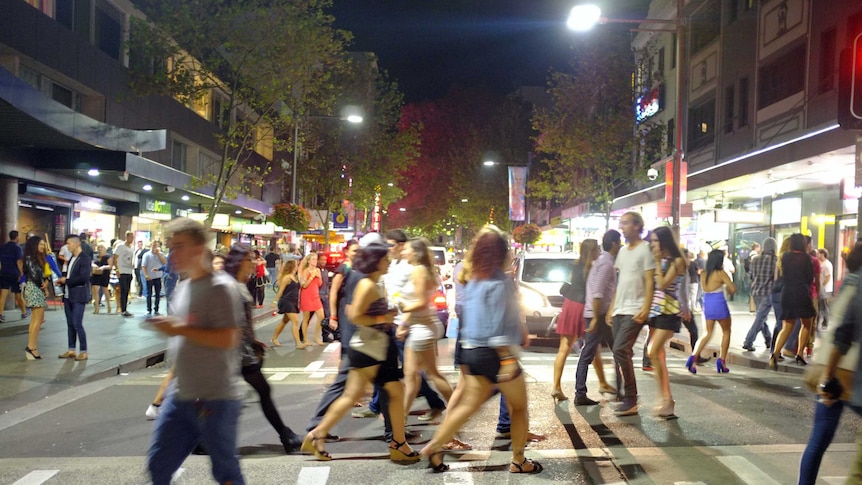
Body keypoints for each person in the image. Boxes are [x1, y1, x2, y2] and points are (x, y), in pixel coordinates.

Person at [420, 225, 542, 474]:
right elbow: (497, 326)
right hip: (496, 354)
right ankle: (519, 461)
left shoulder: (472, 278)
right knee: (518, 406)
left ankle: (436, 444)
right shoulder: (501, 281)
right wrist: (507, 358)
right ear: (500, 252)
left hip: (471, 350)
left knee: (469, 405)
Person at [302, 236, 420, 464]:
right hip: (369, 348)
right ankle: (317, 434)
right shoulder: (367, 284)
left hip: (377, 346)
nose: (388, 261)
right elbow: (355, 315)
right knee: (354, 395)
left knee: (392, 393)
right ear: (376, 260)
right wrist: (384, 316)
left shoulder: (376, 281)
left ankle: (398, 443)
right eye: (385, 258)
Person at [145, 218, 245, 485]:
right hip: (181, 395)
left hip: (215, 398)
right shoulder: (185, 286)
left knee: (226, 473)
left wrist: (178, 329)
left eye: (178, 246)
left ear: (199, 249)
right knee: (158, 465)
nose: (172, 254)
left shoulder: (221, 288)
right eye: (170, 246)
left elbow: (229, 338)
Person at [223, 244, 302, 454]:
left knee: (219, 397)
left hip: (239, 350)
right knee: (258, 392)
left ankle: (286, 435)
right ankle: (287, 436)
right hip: (235, 352)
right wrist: (249, 345)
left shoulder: (238, 284)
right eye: (250, 259)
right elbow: (234, 323)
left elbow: (244, 322)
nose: (255, 263)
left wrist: (254, 341)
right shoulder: (231, 286)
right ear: (239, 262)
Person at [798, 242, 862, 485]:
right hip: (850, 369)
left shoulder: (847, 283)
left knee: (818, 439)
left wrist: (826, 375)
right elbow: (846, 333)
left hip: (828, 365)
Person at [397, 237, 453, 420]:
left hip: (422, 329)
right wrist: (405, 322)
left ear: (415, 252)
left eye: (406, 248)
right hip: (419, 327)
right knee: (411, 376)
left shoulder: (419, 271)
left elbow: (421, 302)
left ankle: (456, 409)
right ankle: (400, 419)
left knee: (431, 373)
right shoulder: (419, 270)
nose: (403, 251)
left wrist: (403, 307)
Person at [607, 212, 655, 416]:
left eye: (625, 223)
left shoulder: (646, 250)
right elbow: (620, 282)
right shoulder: (623, 252)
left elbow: (650, 281)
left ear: (636, 226)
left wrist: (646, 307)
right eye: (621, 223)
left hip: (635, 309)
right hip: (619, 309)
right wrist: (611, 308)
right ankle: (626, 396)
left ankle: (631, 398)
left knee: (620, 350)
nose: (622, 227)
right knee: (621, 353)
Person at [552, 239, 610, 402]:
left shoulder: (575, 265)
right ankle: (603, 383)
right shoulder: (594, 268)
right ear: (593, 251)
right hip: (583, 307)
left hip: (570, 305)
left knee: (564, 349)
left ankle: (556, 387)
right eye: (597, 248)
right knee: (592, 347)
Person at [574, 230, 621, 406]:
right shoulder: (606, 264)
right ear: (615, 243)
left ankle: (620, 390)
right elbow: (598, 293)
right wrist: (595, 318)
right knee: (614, 352)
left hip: (598, 314)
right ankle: (581, 393)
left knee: (616, 351)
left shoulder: (600, 262)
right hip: (599, 315)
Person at [646, 226, 686, 418]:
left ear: (663, 241)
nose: (652, 244)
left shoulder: (677, 261)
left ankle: (667, 399)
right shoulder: (662, 260)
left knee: (653, 351)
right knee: (658, 355)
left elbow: (662, 285)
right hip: (657, 309)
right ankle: (665, 399)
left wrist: (655, 262)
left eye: (655, 241)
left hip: (669, 311)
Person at [770, 233, 816, 369]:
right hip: (802, 292)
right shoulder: (807, 258)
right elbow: (809, 277)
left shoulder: (785, 257)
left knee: (787, 326)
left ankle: (775, 354)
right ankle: (800, 353)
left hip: (787, 292)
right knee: (807, 323)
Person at [687, 249, 736, 374]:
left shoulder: (703, 273)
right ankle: (722, 361)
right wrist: (727, 287)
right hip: (719, 302)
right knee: (726, 331)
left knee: (706, 333)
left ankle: (693, 357)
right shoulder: (721, 273)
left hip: (707, 303)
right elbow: (732, 289)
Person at [57, 234, 91, 361]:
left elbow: (84, 278)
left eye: (69, 243)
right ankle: (71, 349)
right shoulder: (71, 258)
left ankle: (84, 351)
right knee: (70, 323)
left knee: (77, 323)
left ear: (77, 243)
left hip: (78, 295)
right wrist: (62, 280)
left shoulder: (85, 259)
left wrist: (67, 280)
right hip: (68, 295)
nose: (67, 246)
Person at [742, 237, 777, 351]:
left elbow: (751, 275)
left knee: (761, 317)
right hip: (768, 292)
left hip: (756, 291)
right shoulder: (775, 260)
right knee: (760, 318)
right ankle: (748, 341)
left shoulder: (755, 259)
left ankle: (769, 340)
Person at [23, 236, 48, 360]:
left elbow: (42, 275)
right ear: (34, 245)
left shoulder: (37, 258)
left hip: (36, 288)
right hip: (34, 288)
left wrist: (46, 283)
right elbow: (34, 275)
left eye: (43, 245)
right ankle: (31, 347)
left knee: (36, 320)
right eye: (40, 245)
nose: (42, 247)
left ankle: (31, 347)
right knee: (37, 320)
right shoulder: (29, 259)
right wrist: (43, 286)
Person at [271, 259, 303, 349]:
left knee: (284, 321)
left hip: (294, 301)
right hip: (286, 301)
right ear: (292, 267)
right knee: (295, 321)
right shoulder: (287, 278)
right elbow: (280, 291)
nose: (297, 267)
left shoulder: (295, 277)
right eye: (296, 265)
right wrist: (274, 302)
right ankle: (298, 343)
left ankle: (274, 338)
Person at [0, 230, 26, 322]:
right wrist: (21, 273)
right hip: (15, 274)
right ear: (17, 237)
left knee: (2, 295)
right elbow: (19, 261)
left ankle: (1, 314)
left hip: (4, 273)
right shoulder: (17, 248)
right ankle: (24, 313)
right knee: (18, 295)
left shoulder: (2, 247)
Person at [299, 252, 325, 346]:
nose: (315, 261)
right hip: (306, 295)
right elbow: (304, 285)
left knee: (321, 316)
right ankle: (305, 339)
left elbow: (320, 283)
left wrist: (318, 276)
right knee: (306, 318)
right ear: (309, 261)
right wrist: (312, 277)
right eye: (313, 259)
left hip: (315, 295)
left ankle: (316, 336)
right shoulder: (306, 270)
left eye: (316, 259)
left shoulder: (318, 270)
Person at [112, 232, 135, 317]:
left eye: (133, 237)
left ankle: (125, 309)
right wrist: (117, 270)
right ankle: (122, 309)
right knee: (123, 289)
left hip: (129, 271)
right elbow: (114, 258)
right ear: (127, 237)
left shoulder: (132, 248)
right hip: (122, 271)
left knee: (126, 290)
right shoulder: (120, 246)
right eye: (131, 237)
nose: (132, 239)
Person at [142, 241, 167, 316]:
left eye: (156, 245)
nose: (154, 247)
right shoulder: (146, 255)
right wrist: (146, 275)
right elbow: (143, 266)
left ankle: (156, 309)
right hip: (150, 277)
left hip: (158, 277)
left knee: (158, 294)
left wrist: (158, 254)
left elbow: (165, 263)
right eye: (153, 245)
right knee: (149, 294)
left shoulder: (161, 254)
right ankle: (148, 309)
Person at [90, 244, 112, 315]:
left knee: (105, 290)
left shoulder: (107, 257)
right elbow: (91, 263)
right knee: (95, 290)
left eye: (101, 247)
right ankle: (96, 307)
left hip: (104, 274)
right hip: (96, 274)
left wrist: (103, 267)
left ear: (105, 249)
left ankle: (109, 305)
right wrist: (93, 265)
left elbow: (110, 266)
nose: (100, 249)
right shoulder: (95, 256)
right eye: (99, 247)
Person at [818, 248, 833, 330]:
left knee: (824, 306)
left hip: (825, 289)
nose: (818, 255)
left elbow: (828, 277)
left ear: (823, 254)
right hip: (822, 288)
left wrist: (822, 285)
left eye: (819, 253)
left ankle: (825, 323)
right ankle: (822, 322)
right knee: (821, 306)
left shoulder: (827, 264)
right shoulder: (821, 263)